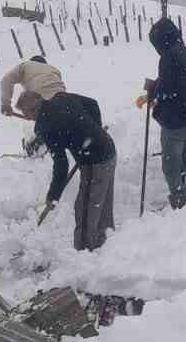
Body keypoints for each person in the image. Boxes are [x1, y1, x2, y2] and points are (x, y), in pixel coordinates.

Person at [16, 90, 117, 251]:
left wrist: (53, 195)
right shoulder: (60, 97)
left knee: (85, 210)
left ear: (33, 109)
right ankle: (105, 246)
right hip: (108, 149)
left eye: (25, 113)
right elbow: (92, 103)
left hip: (94, 161)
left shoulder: (44, 125)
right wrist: (95, 131)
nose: (26, 117)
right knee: (102, 205)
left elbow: (61, 164)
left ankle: (84, 253)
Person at [143, 17, 186, 208]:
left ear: (160, 41)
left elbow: (169, 90)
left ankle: (180, 199)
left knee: (170, 164)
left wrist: (154, 92)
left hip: (177, 122)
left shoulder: (168, 57)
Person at [0, 56, 67, 155]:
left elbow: (6, 80)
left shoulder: (26, 65)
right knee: (54, 119)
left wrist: (6, 104)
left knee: (37, 123)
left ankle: (34, 145)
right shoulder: (54, 70)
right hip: (64, 99)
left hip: (40, 96)